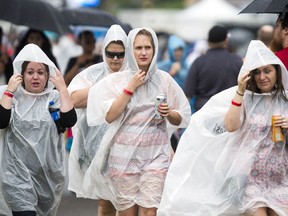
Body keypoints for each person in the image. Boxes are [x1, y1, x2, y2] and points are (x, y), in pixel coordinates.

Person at [157, 40, 288, 216]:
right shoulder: (246, 98)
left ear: (277, 71)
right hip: (249, 178)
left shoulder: (285, 100)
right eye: (257, 72)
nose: (262, 77)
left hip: (279, 177)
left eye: (267, 71)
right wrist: (240, 91)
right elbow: (231, 126)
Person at [83, 28, 191, 216]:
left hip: (155, 156)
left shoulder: (163, 79)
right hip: (123, 158)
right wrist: (130, 87)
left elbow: (182, 115)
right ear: (130, 50)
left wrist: (169, 113)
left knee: (150, 211)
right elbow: (110, 116)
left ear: (155, 49)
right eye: (138, 47)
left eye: (147, 47)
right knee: (128, 213)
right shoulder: (118, 81)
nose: (143, 52)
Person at [0, 43, 77, 216]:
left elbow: (69, 120)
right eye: (30, 72)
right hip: (16, 176)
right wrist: (10, 91)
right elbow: (1, 122)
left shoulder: (55, 98)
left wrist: (62, 88)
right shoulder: (10, 95)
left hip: (47, 177)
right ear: (21, 75)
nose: (35, 77)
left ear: (48, 76)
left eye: (40, 72)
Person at [67, 24, 128, 216]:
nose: (115, 59)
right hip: (99, 149)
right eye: (111, 54)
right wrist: (106, 88)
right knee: (105, 203)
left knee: (127, 204)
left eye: (120, 54)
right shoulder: (93, 74)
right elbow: (73, 99)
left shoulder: (135, 74)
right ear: (104, 52)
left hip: (129, 148)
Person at [184, 25, 243, 113]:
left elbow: (187, 93)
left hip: (203, 112)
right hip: (228, 111)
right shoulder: (237, 61)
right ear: (226, 40)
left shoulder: (199, 62)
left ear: (208, 41)